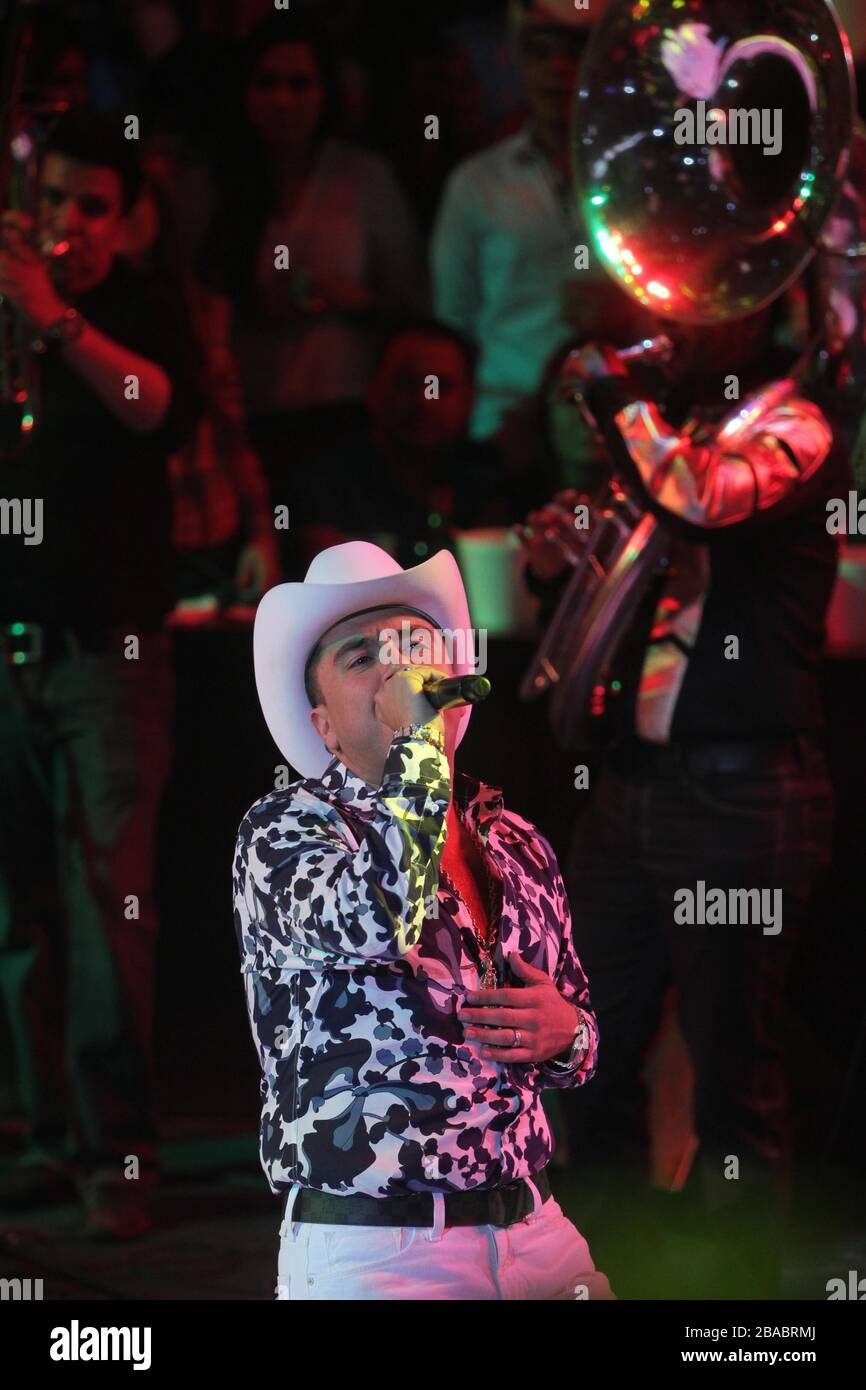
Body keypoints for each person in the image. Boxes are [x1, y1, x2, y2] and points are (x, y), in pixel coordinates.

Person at [519, 304, 847, 1298]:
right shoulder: (658, 434)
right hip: (629, 791)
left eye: (692, 296)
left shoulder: (800, 422)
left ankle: (735, 1303)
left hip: (740, 794)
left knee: (732, 1070)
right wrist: (556, 564)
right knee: (586, 1044)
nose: (663, 315)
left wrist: (620, 400)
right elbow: (635, 572)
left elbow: (698, 500)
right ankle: (609, 1269)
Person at [232, 540, 614, 1299]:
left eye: (414, 645)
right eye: (361, 657)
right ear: (325, 725)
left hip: (533, 1225)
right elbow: (382, 917)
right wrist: (415, 747)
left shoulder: (513, 836)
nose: (398, 668)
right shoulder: (288, 828)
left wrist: (564, 1030)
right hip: (379, 1249)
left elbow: (581, 1040)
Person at [0, 112, 201, 1238]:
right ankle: (44, 1138)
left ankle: (121, 1151)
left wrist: (52, 316)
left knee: (107, 906)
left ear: (126, 223)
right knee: (17, 916)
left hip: (109, 659)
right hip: (9, 650)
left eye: (94, 207)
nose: (70, 225)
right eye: (56, 201)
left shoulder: (131, 308)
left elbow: (157, 408)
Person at [199, 11, 425, 554]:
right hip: (248, 423)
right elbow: (199, 306)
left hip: (344, 419)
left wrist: (351, 299)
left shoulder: (364, 177)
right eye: (267, 83)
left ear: (327, 92)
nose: (283, 100)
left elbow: (411, 301)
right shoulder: (217, 182)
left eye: (300, 84)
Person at [431, 0, 645, 440]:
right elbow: (454, 327)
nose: (556, 68)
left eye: (573, 50)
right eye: (539, 51)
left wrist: (626, 312)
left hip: (625, 426)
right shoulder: (476, 183)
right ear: (517, 58)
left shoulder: (645, 175)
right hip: (503, 428)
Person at [295, 320, 508, 572]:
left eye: (442, 386)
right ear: (372, 388)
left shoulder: (494, 483)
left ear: (470, 397)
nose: (424, 402)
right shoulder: (325, 482)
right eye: (406, 383)